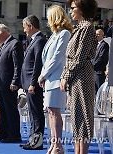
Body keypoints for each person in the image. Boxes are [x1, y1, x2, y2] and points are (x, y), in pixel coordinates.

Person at [60, 0, 98, 154]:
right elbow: (70, 57)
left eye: (73, 8)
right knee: (76, 116)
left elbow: (80, 57)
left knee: (83, 115)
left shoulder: (87, 28)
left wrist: (66, 76)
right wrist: (65, 75)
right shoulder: (79, 28)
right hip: (75, 75)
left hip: (82, 75)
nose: (70, 11)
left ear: (82, 9)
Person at [38, 5, 73, 154]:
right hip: (49, 79)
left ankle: (58, 145)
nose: (47, 21)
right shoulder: (54, 35)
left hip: (57, 78)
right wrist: (44, 75)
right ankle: (54, 143)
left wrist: (43, 74)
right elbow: (46, 58)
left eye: (49, 16)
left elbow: (57, 58)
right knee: (51, 111)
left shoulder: (64, 34)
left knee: (55, 111)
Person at [20, 15, 46, 150]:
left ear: (31, 26)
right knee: (31, 113)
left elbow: (37, 64)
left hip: (33, 84)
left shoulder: (40, 40)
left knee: (36, 113)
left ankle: (37, 142)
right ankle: (32, 140)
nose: (24, 30)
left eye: (25, 27)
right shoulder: (33, 40)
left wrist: (32, 83)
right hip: (28, 83)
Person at [92, 29, 109, 93]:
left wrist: (93, 66)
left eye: (98, 34)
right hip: (93, 72)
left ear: (102, 35)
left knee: (99, 90)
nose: (97, 36)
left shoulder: (104, 45)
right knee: (94, 91)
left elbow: (101, 58)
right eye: (96, 34)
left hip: (99, 72)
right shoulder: (95, 45)